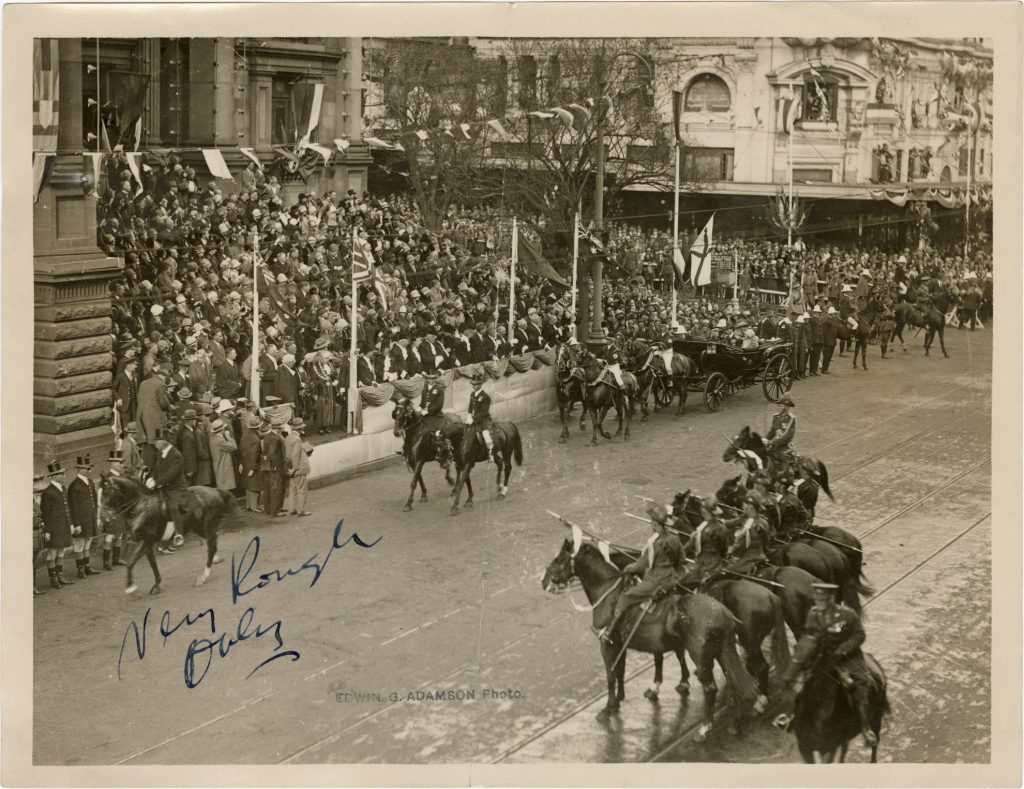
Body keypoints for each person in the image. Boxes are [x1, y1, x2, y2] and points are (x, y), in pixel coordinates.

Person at [779, 581, 879, 748]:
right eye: (818, 600)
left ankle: (865, 728)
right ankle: (790, 715)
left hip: (848, 657)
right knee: (802, 680)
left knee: (860, 684)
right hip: (823, 655)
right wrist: (807, 648)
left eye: (823, 600)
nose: (820, 603)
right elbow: (810, 634)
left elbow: (859, 635)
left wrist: (843, 650)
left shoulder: (847, 614)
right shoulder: (814, 613)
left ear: (831, 599)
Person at [598, 503, 685, 643]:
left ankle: (610, 631)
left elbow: (640, 566)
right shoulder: (675, 538)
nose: (651, 525)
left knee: (625, 597)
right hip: (670, 580)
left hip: (655, 582)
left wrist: (627, 569)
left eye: (652, 522)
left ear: (656, 524)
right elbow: (681, 559)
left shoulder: (653, 543)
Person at [145, 431, 200, 546]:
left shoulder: (176, 455)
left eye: (157, 442)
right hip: (164, 486)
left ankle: (179, 534)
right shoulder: (161, 453)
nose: (155, 444)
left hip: (177, 488)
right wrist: (151, 478)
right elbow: (157, 469)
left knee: (173, 506)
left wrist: (156, 482)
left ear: (164, 442)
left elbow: (171, 474)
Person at [675, 496, 731, 589]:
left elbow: (689, 548)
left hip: (703, 567)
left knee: (679, 585)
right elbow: (724, 549)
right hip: (717, 564)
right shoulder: (722, 527)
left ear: (704, 510)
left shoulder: (701, 531)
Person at [39, 460, 75, 588]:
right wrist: (47, 531)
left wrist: (70, 524)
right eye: (61, 474)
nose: (64, 476)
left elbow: (68, 508)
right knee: (52, 553)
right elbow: (45, 513)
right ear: (54, 476)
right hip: (54, 528)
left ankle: (60, 576)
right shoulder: (48, 492)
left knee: (61, 552)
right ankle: (53, 579)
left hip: (64, 526)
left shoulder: (63, 488)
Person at [67, 455, 102, 578]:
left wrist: (97, 517)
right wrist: (76, 524)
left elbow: (95, 501)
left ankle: (87, 566)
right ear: (79, 469)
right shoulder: (74, 485)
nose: (88, 470)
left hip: (90, 519)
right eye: (85, 468)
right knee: (79, 544)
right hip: (81, 521)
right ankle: (80, 569)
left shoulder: (90, 482)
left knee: (88, 542)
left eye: (88, 468)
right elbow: (73, 507)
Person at [725, 493, 772, 575]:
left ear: (751, 507)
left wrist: (729, 551)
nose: (742, 506)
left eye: (744, 505)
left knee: (725, 571)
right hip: (760, 555)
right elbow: (766, 542)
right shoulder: (763, 522)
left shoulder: (748, 525)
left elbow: (740, 544)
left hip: (748, 558)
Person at [100, 449, 130, 569]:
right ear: (112, 463)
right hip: (111, 512)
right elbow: (103, 497)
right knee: (110, 536)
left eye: (121, 463)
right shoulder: (107, 478)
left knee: (120, 535)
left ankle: (116, 559)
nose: (121, 465)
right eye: (119, 463)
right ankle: (106, 562)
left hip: (121, 510)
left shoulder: (122, 476)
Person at [284, 417, 313, 516]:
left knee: (293, 489)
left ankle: (292, 508)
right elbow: (295, 455)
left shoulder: (288, 437)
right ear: (300, 429)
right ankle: (301, 510)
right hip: (298, 468)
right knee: (302, 490)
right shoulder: (297, 439)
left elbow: (289, 454)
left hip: (289, 466)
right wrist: (295, 468)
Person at [467, 372, 498, 463]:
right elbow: (470, 407)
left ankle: (490, 454)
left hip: (484, 421)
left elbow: (484, 412)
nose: (474, 386)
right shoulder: (472, 394)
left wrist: (473, 419)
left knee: (486, 435)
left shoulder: (486, 397)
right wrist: (469, 415)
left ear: (480, 385)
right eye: (473, 384)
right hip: (473, 420)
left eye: (476, 384)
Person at [259, 419, 287, 517]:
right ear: (279, 428)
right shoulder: (275, 438)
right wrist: (275, 466)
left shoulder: (267, 436)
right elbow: (272, 453)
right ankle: (275, 510)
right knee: (277, 488)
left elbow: (266, 452)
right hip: (275, 467)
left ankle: (269, 509)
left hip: (266, 466)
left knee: (268, 488)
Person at [239, 413, 263, 512]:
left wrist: (240, 463)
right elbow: (255, 455)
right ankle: (254, 506)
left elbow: (240, 449)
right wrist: (253, 468)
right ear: (257, 428)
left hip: (245, 463)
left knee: (248, 485)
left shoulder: (245, 435)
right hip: (252, 465)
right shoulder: (256, 440)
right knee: (255, 485)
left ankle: (248, 505)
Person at [766, 394, 797, 472]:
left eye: (781, 405)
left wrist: (773, 442)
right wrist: (765, 439)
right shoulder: (775, 417)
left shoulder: (791, 419)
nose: (779, 407)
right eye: (778, 405)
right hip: (774, 445)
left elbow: (788, 436)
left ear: (786, 407)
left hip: (785, 446)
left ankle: (788, 477)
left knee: (783, 457)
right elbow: (772, 431)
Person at [209, 418, 238, 490]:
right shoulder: (219, 440)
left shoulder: (213, 438)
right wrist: (229, 438)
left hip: (219, 466)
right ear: (222, 430)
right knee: (225, 488)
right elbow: (234, 447)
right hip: (223, 467)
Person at [820, 306, 840, 374]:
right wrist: (823, 342)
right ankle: (824, 369)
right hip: (828, 341)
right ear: (830, 314)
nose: (834, 314)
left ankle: (826, 368)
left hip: (833, 341)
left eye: (834, 313)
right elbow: (824, 332)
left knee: (830, 356)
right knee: (827, 356)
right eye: (833, 313)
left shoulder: (834, 320)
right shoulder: (827, 321)